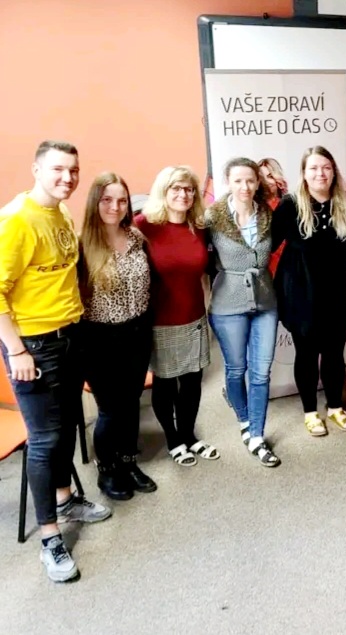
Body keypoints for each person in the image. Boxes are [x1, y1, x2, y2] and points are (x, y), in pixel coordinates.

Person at [0, 140, 111, 583]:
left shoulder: (60, 212)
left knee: (65, 427)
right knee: (44, 440)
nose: (68, 178)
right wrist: (17, 350)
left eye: (74, 170)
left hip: (70, 335)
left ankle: (66, 500)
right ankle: (50, 539)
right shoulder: (17, 220)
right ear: (36, 170)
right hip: (35, 346)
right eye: (58, 170)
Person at [273, 146, 346, 436]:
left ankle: (335, 406)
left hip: (337, 291)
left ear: (333, 171)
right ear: (303, 173)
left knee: (335, 352)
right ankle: (310, 411)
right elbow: (268, 245)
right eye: (313, 168)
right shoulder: (290, 205)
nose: (320, 173)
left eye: (325, 167)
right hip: (301, 293)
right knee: (307, 353)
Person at [78, 172, 157, 499]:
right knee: (111, 409)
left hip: (137, 334)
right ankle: (108, 468)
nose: (115, 206)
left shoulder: (136, 237)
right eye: (107, 200)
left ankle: (128, 461)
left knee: (130, 403)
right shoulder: (82, 245)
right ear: (95, 202)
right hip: (100, 339)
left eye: (122, 200)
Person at [136, 166, 218, 467]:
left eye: (189, 189)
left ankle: (189, 435)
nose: (184, 194)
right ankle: (173, 440)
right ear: (164, 191)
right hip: (161, 321)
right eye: (176, 188)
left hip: (194, 317)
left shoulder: (199, 226)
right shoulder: (144, 226)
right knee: (166, 384)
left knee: (193, 382)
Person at [205, 158, 280, 467]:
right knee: (237, 370)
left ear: (257, 182)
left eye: (250, 180)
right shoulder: (212, 217)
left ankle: (257, 435)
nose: (245, 187)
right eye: (238, 181)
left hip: (265, 301)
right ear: (228, 182)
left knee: (261, 372)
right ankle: (245, 419)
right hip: (227, 304)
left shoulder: (268, 214)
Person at [258, 157, 289, 274]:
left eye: (270, 176)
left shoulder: (290, 206)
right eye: (262, 178)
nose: (266, 182)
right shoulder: (254, 209)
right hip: (264, 271)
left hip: (287, 268)